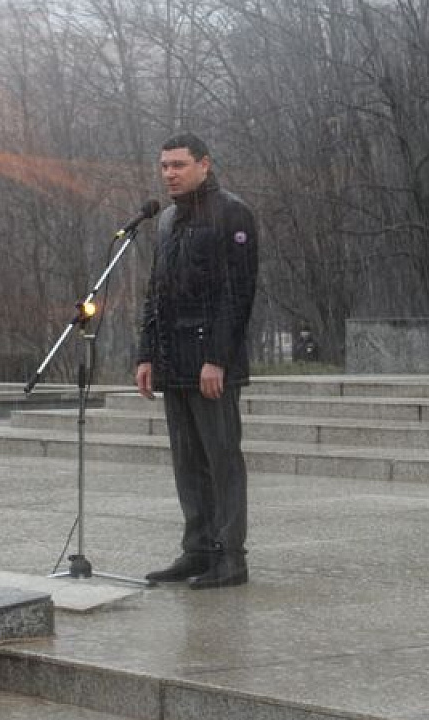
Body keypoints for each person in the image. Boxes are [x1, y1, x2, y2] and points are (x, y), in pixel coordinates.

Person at [135, 133, 259, 589]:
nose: (169, 173)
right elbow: (156, 294)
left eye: (179, 165)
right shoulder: (166, 220)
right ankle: (198, 549)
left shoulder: (232, 213)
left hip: (211, 361)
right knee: (187, 461)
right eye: (164, 165)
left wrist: (217, 359)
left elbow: (237, 294)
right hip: (173, 360)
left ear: (204, 165)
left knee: (222, 458)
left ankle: (231, 556)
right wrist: (146, 353)